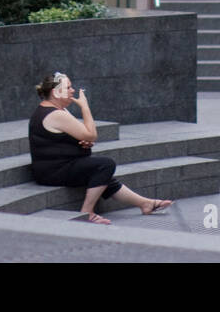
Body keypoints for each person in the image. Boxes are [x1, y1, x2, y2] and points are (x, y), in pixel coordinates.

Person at [28, 73, 173, 224]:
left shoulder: (55, 110)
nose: (73, 90)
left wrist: (81, 142)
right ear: (55, 92)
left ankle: (145, 204)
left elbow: (66, 138)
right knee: (105, 165)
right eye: (68, 87)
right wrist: (85, 107)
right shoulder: (56, 114)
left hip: (56, 166)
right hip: (53, 172)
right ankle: (87, 212)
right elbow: (91, 134)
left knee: (102, 176)